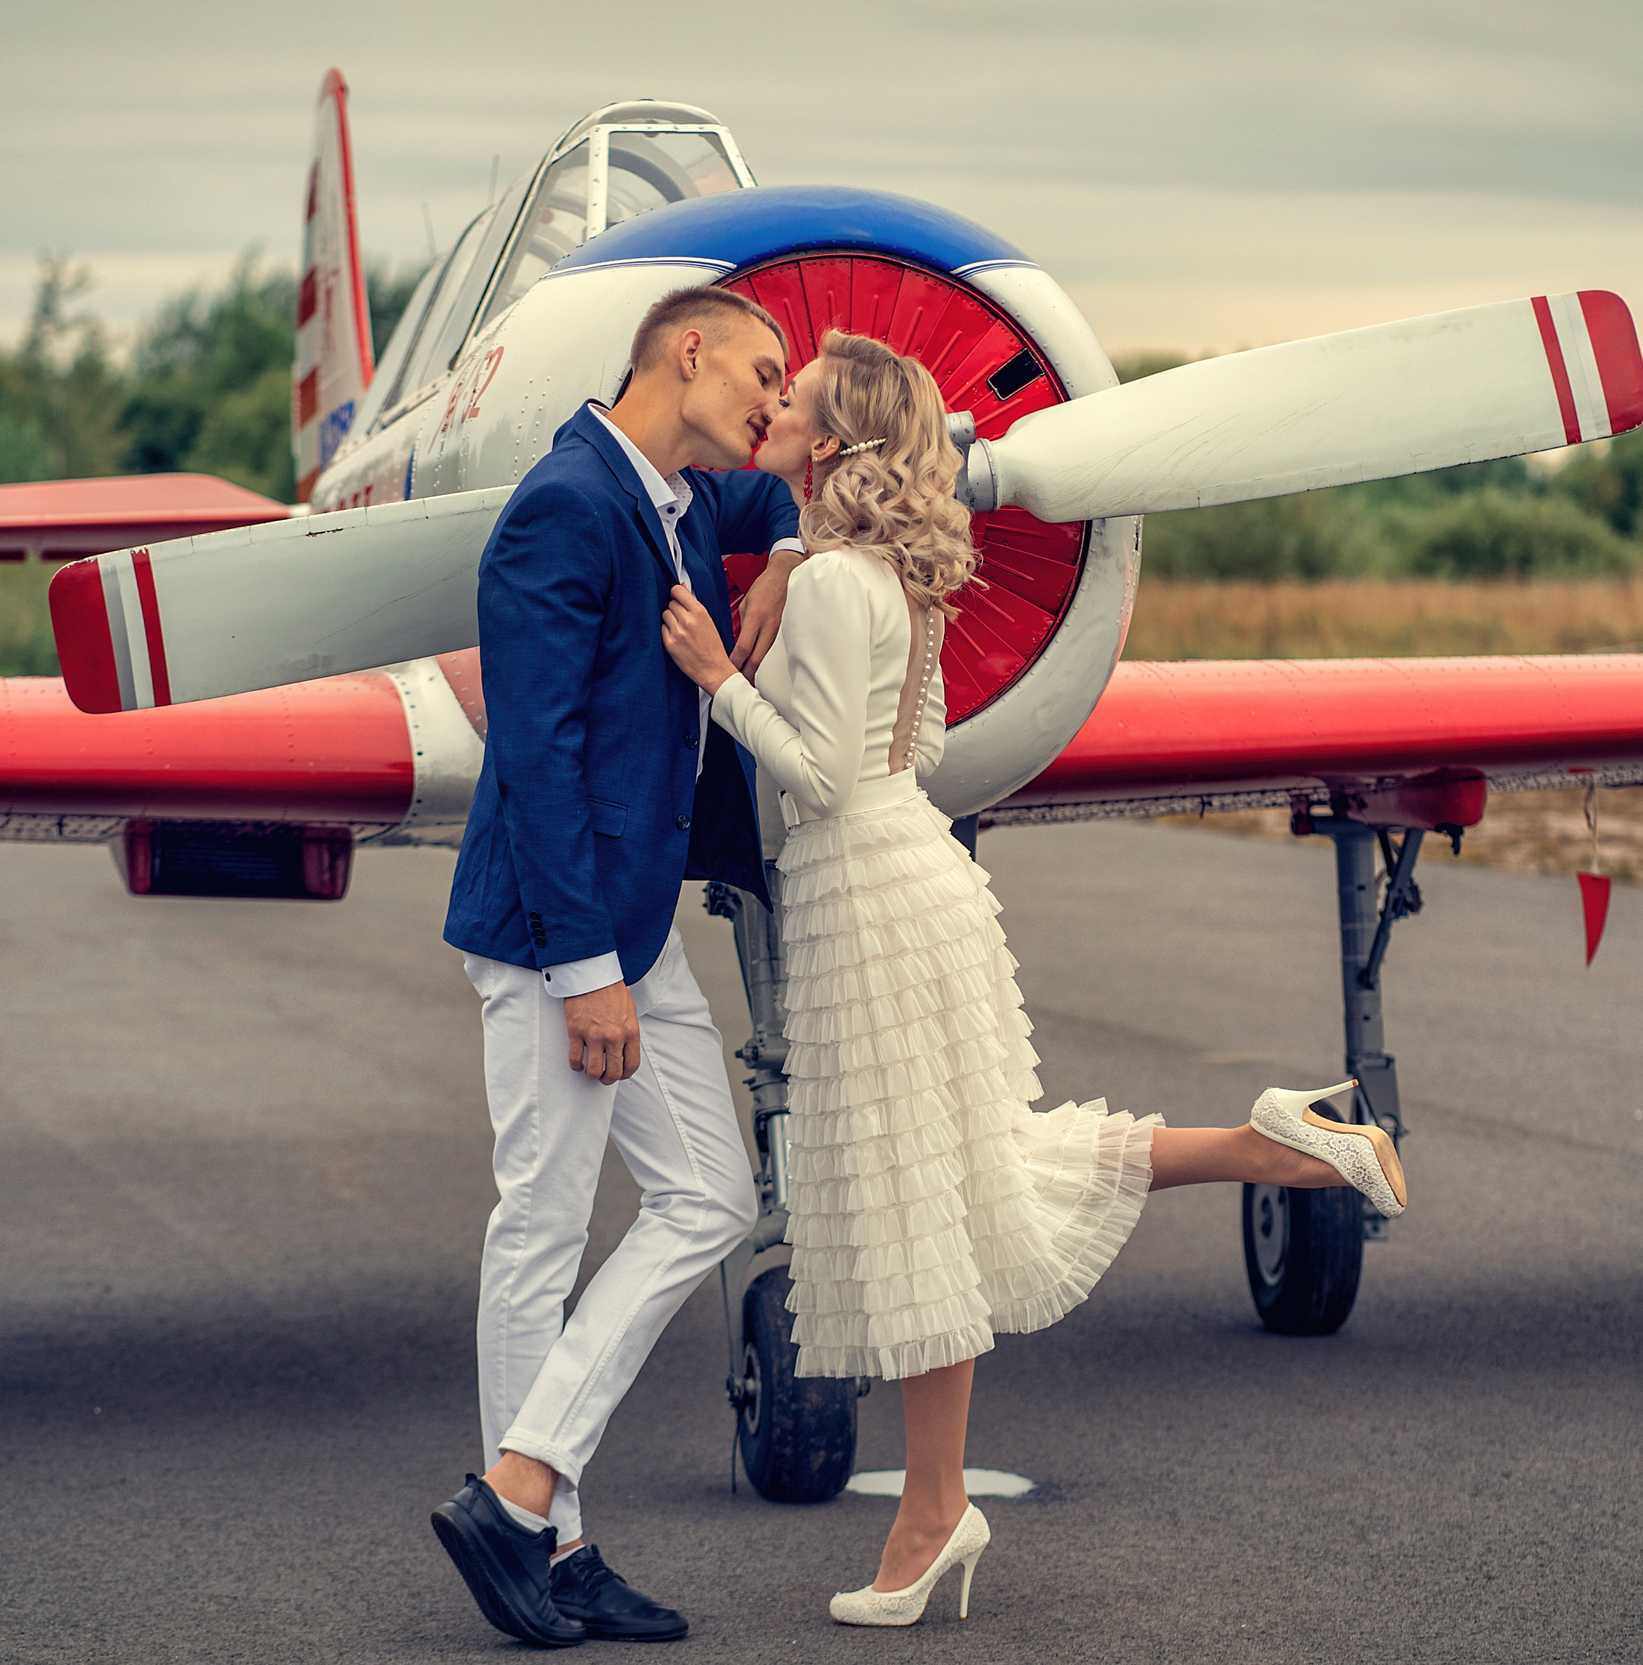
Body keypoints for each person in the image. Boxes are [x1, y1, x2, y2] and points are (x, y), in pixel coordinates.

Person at [659, 330, 1409, 1628]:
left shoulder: (835, 587)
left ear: (831, 445)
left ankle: (935, 1514)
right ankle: (1269, 1141)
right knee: (965, 1183)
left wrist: (722, 682)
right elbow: (926, 741)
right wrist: (782, 568)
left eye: (799, 402)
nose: (773, 408)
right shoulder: (883, 577)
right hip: (911, 873)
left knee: (920, 1206)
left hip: (864, 895)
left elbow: (822, 779)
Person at [430, 285, 805, 1648]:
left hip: (632, 923)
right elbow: (534, 752)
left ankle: (518, 1495)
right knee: (540, 1223)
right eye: (765, 372)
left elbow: (776, 505)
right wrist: (585, 969)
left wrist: (788, 543)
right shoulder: (566, 506)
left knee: (709, 1194)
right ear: (684, 352)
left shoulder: (688, 500)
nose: (776, 400)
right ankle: (551, 1541)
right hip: (557, 933)